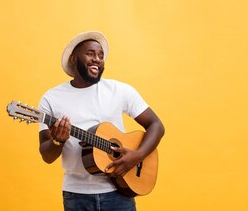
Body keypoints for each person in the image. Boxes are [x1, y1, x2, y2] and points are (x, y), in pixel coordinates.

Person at [38, 31, 165, 211]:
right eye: (90, 53)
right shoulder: (51, 99)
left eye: (101, 55)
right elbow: (46, 155)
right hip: (76, 196)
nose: (97, 59)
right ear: (73, 58)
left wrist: (137, 156)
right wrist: (58, 140)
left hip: (119, 191)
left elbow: (156, 125)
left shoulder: (119, 90)